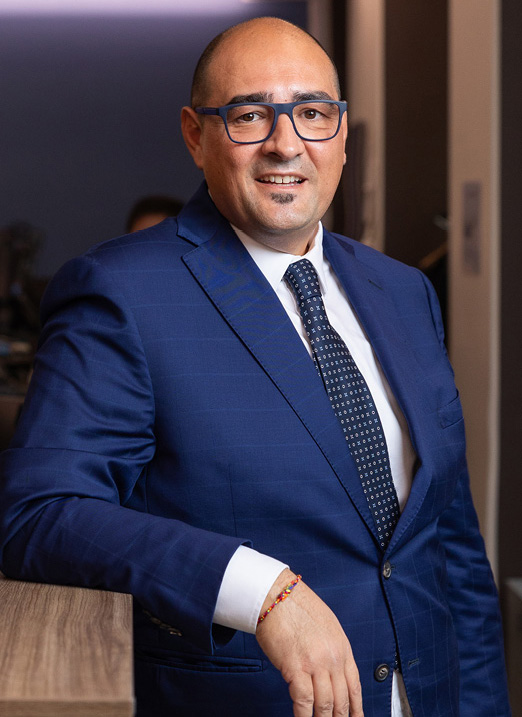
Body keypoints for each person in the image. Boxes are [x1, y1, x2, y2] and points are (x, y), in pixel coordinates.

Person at [0, 17, 511, 717]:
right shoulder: (121, 293)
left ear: (342, 132)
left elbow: (449, 540)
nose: (286, 143)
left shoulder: (403, 291)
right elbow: (39, 513)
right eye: (249, 115)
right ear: (195, 135)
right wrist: (262, 589)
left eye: (312, 113)